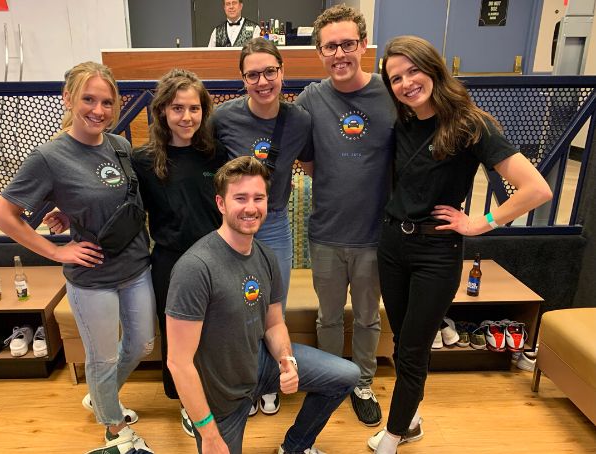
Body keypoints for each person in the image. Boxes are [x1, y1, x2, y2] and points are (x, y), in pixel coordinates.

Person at [368, 35, 553, 453]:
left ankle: (394, 435)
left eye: (413, 70)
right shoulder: (403, 123)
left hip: (437, 251)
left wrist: (480, 223)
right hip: (393, 244)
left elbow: (536, 189)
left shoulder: (472, 124)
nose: (406, 82)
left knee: (414, 347)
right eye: (396, 78)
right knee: (403, 340)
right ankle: (410, 418)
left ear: (433, 68)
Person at [0, 61, 156, 454]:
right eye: (88, 99)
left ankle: (101, 398)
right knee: (101, 358)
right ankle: (114, 429)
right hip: (92, 277)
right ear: (67, 98)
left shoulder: (119, 145)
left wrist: (70, 212)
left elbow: (120, 199)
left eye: (106, 102)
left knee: (142, 345)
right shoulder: (49, 156)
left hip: (135, 266)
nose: (98, 110)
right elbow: (2, 215)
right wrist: (55, 250)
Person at [166, 156, 360, 454]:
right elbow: (178, 363)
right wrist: (208, 431)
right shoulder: (195, 267)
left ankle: (295, 447)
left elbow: (273, 322)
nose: (251, 207)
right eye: (240, 198)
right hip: (221, 395)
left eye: (259, 198)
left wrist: (286, 360)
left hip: (259, 364)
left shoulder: (266, 257)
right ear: (221, 203)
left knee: (346, 375)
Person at [294, 4, 395, 427]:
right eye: (330, 46)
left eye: (347, 44)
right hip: (328, 233)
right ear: (320, 51)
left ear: (364, 46)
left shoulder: (391, 92)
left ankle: (362, 382)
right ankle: (333, 378)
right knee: (329, 316)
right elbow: (308, 160)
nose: (339, 54)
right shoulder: (312, 98)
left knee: (369, 316)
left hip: (376, 234)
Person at [212, 37, 312, 416]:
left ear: (282, 72)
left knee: (273, 308)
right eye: (253, 74)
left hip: (274, 225)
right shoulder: (223, 118)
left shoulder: (299, 120)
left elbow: (315, 164)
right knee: (236, 308)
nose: (263, 80)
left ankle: (268, 380)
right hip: (232, 229)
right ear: (242, 79)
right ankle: (243, 383)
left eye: (270, 71)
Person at [132, 68, 227, 438]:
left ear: (204, 111)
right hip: (171, 260)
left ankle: (214, 394)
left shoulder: (216, 154)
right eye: (177, 109)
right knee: (176, 338)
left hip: (215, 258)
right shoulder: (144, 161)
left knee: (216, 332)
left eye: (194, 109)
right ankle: (187, 403)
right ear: (162, 112)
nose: (186, 117)